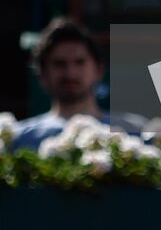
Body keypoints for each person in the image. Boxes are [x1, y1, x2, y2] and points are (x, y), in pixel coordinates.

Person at [12, 17, 139, 151]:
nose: (70, 73)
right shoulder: (20, 140)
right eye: (59, 64)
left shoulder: (134, 133)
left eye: (80, 62)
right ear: (42, 74)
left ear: (99, 70)